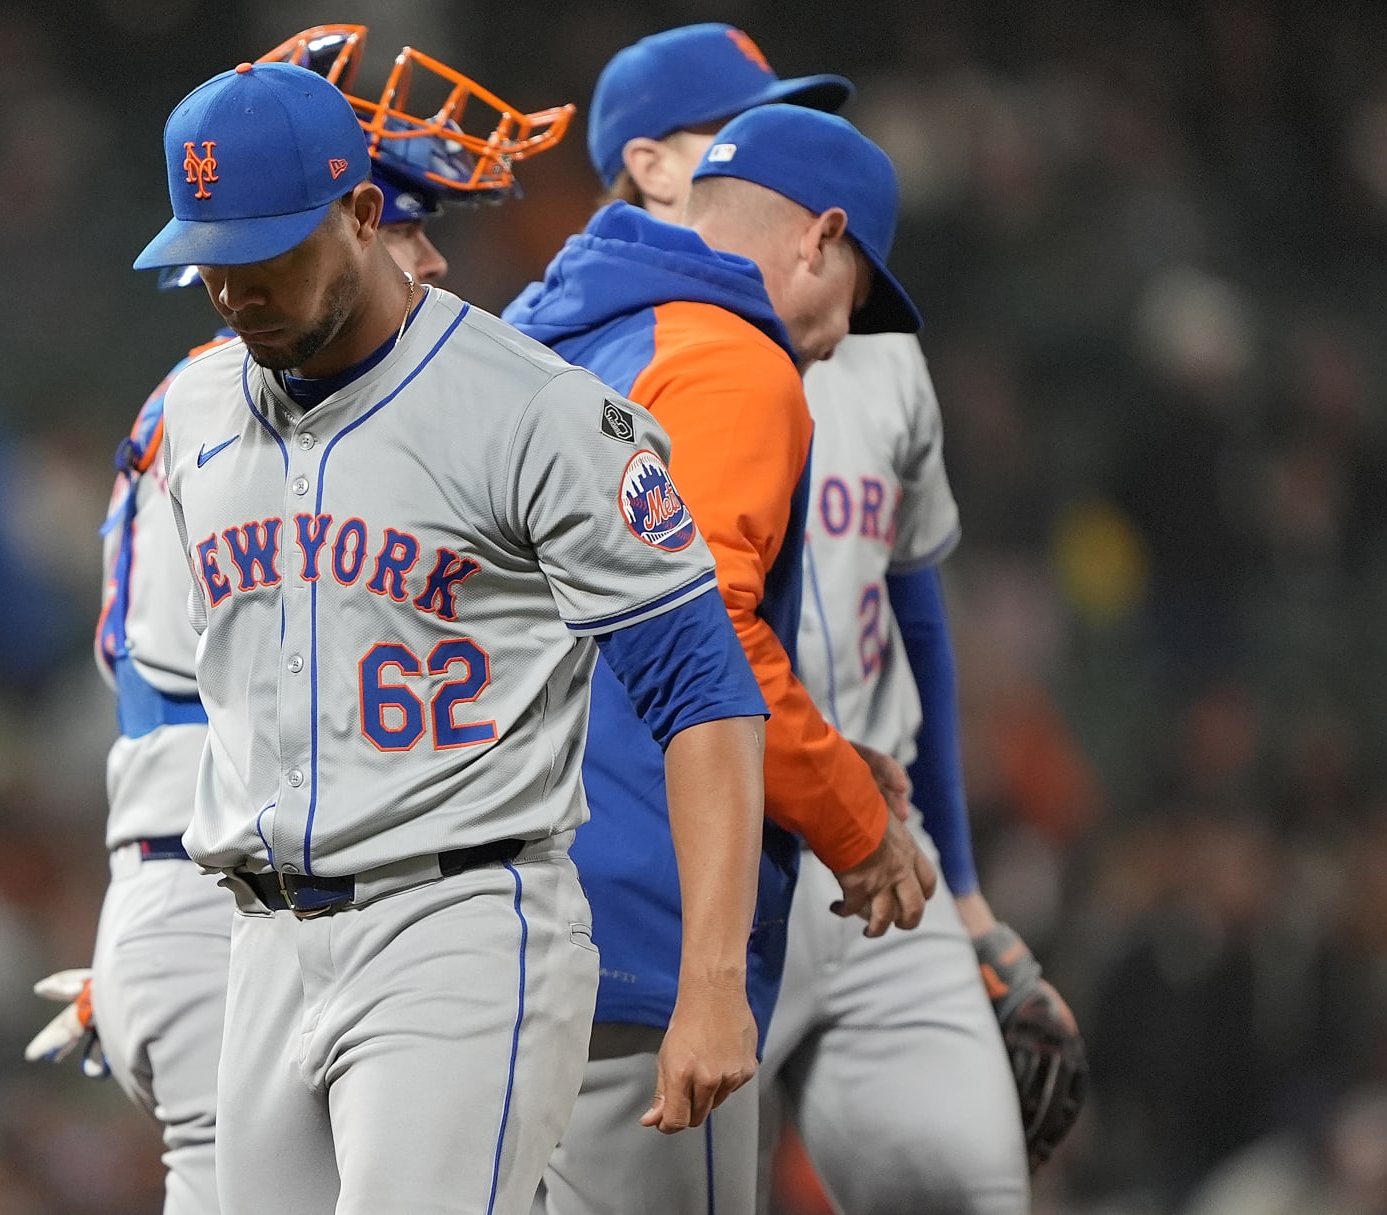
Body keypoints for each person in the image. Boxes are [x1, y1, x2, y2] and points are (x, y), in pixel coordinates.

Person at [138, 59, 778, 1215]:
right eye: (213, 263)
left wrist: (714, 979)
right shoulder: (190, 414)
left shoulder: (531, 409)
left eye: (271, 254)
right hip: (264, 940)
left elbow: (703, 689)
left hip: (459, 923)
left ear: (365, 214)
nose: (236, 294)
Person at [21, 28, 576, 1215]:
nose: (427, 255)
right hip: (228, 903)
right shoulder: (242, 417)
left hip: (195, 887)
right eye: (414, 216)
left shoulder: (216, 405)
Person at [572, 24, 1087, 1214]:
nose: (776, 154)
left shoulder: (874, 362)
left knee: (962, 1185)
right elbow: (699, 632)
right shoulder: (621, 344)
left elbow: (921, 623)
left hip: (868, 850)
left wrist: (961, 891)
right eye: (735, 133)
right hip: (706, 844)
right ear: (658, 168)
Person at [505, 82, 937, 1215]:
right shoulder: (730, 360)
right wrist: (854, 819)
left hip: (480, 925)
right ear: (820, 237)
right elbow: (711, 634)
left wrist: (828, 761)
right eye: (855, 295)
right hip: (643, 921)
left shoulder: (531, 338)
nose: (842, 334)